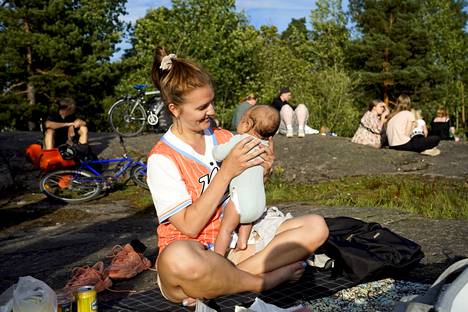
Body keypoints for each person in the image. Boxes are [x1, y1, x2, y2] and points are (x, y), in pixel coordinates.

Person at [147, 48, 328, 305]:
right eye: (202, 107)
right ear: (175, 109)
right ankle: (264, 280)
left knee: (315, 227)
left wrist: (262, 172)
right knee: (178, 259)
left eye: (211, 102)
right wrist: (228, 170)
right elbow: (189, 226)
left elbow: (245, 190)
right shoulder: (162, 158)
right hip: (195, 253)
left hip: (237, 247)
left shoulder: (224, 138)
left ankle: (223, 280)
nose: (211, 111)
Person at [213, 105, 280, 256]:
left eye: (242, 119)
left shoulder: (240, 140)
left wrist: (215, 148)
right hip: (258, 205)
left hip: (240, 202)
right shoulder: (264, 147)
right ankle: (242, 241)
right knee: (246, 220)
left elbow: (218, 154)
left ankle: (216, 257)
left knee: (226, 229)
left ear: (247, 124)